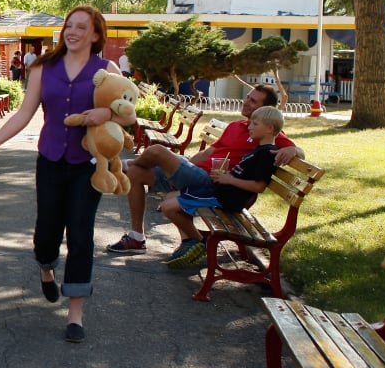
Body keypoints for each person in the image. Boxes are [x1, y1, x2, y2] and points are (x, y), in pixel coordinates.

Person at [0, 6, 120, 344]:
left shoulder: (106, 70)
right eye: (70, 26)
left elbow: (128, 112)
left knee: (81, 233)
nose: (73, 32)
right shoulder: (43, 67)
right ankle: (46, 268)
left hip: (87, 163)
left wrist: (108, 113)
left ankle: (75, 313)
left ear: (96, 35)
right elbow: (24, 114)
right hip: (50, 160)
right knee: (47, 231)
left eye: (81, 27)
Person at [106, 84, 304, 257]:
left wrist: (293, 150)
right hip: (195, 173)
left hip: (212, 182)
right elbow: (209, 152)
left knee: (157, 151)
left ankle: (122, 165)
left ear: (266, 109)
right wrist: (182, 169)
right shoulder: (236, 126)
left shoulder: (265, 132)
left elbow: (298, 153)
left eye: (253, 101)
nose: (246, 102)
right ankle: (137, 238)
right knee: (135, 175)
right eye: (247, 97)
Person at [153, 105, 285, 268]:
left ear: (270, 129)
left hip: (226, 199)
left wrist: (229, 180)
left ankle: (200, 242)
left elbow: (259, 187)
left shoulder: (267, 154)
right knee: (169, 197)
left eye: (255, 124)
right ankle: (190, 242)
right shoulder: (259, 149)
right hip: (220, 191)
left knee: (168, 207)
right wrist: (226, 176)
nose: (249, 126)